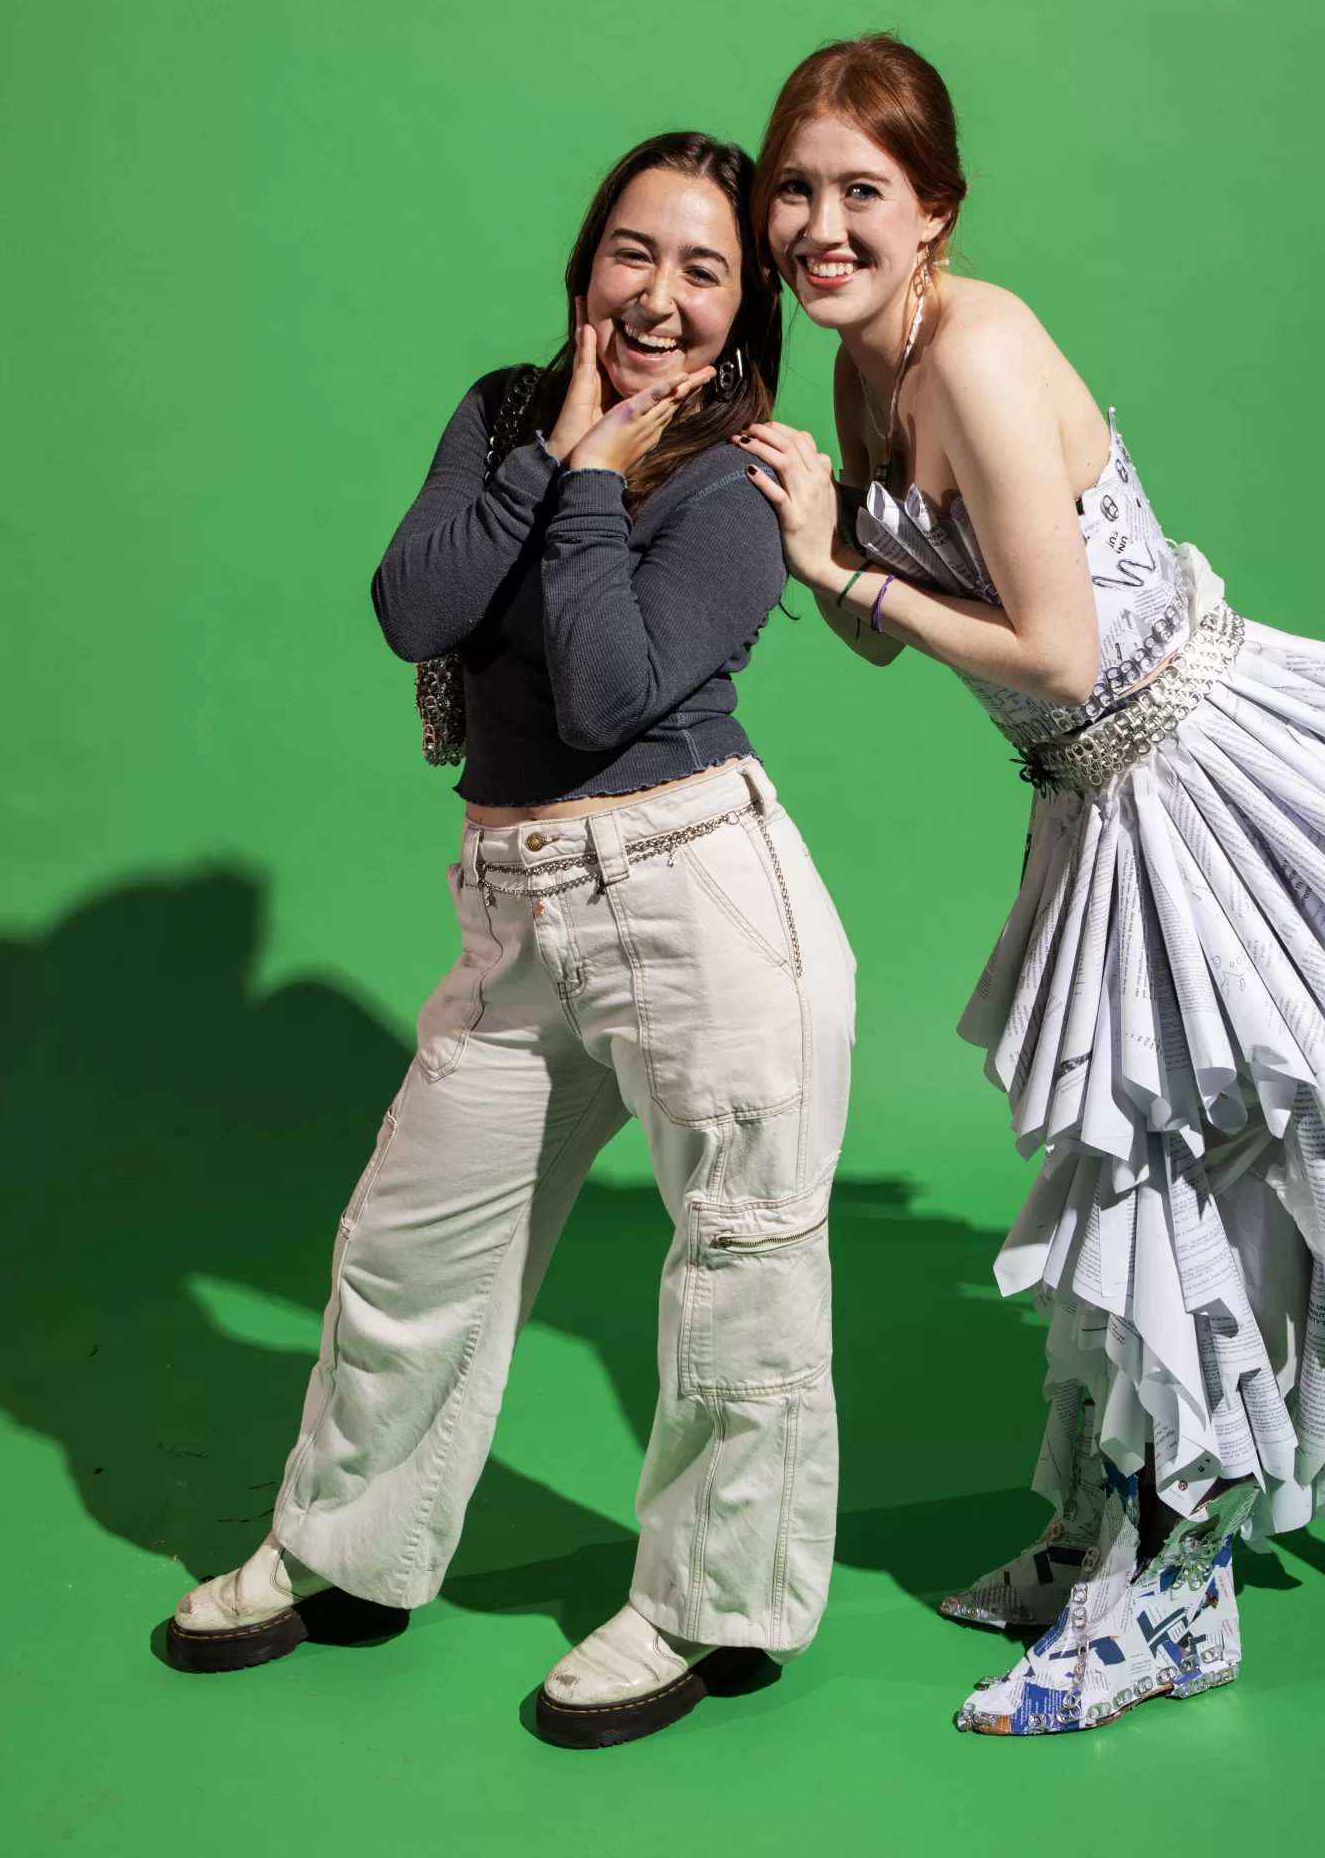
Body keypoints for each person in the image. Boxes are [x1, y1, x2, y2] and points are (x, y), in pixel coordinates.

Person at [738, 36, 1325, 1736]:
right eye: (794, 189)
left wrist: (838, 572)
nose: (818, 225)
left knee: (1205, 1183)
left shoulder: (974, 345)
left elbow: (1052, 641)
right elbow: (898, 630)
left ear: (934, 209)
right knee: (1122, 1176)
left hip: (1198, 785)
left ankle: (1178, 1596)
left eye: (858, 192)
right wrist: (826, 526)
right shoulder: (865, 373)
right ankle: (1103, 1532)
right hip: (1091, 800)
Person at [160, 132, 856, 1752]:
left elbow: (612, 690)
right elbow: (418, 604)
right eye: (635, 252)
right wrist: (554, 445)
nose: (660, 297)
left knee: (739, 1268)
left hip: (700, 896)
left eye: (703, 270)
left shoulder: (745, 476)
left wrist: (601, 477)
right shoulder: (496, 411)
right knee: (408, 1247)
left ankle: (708, 1605)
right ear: (583, 262)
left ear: (745, 307)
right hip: (516, 903)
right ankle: (340, 1551)